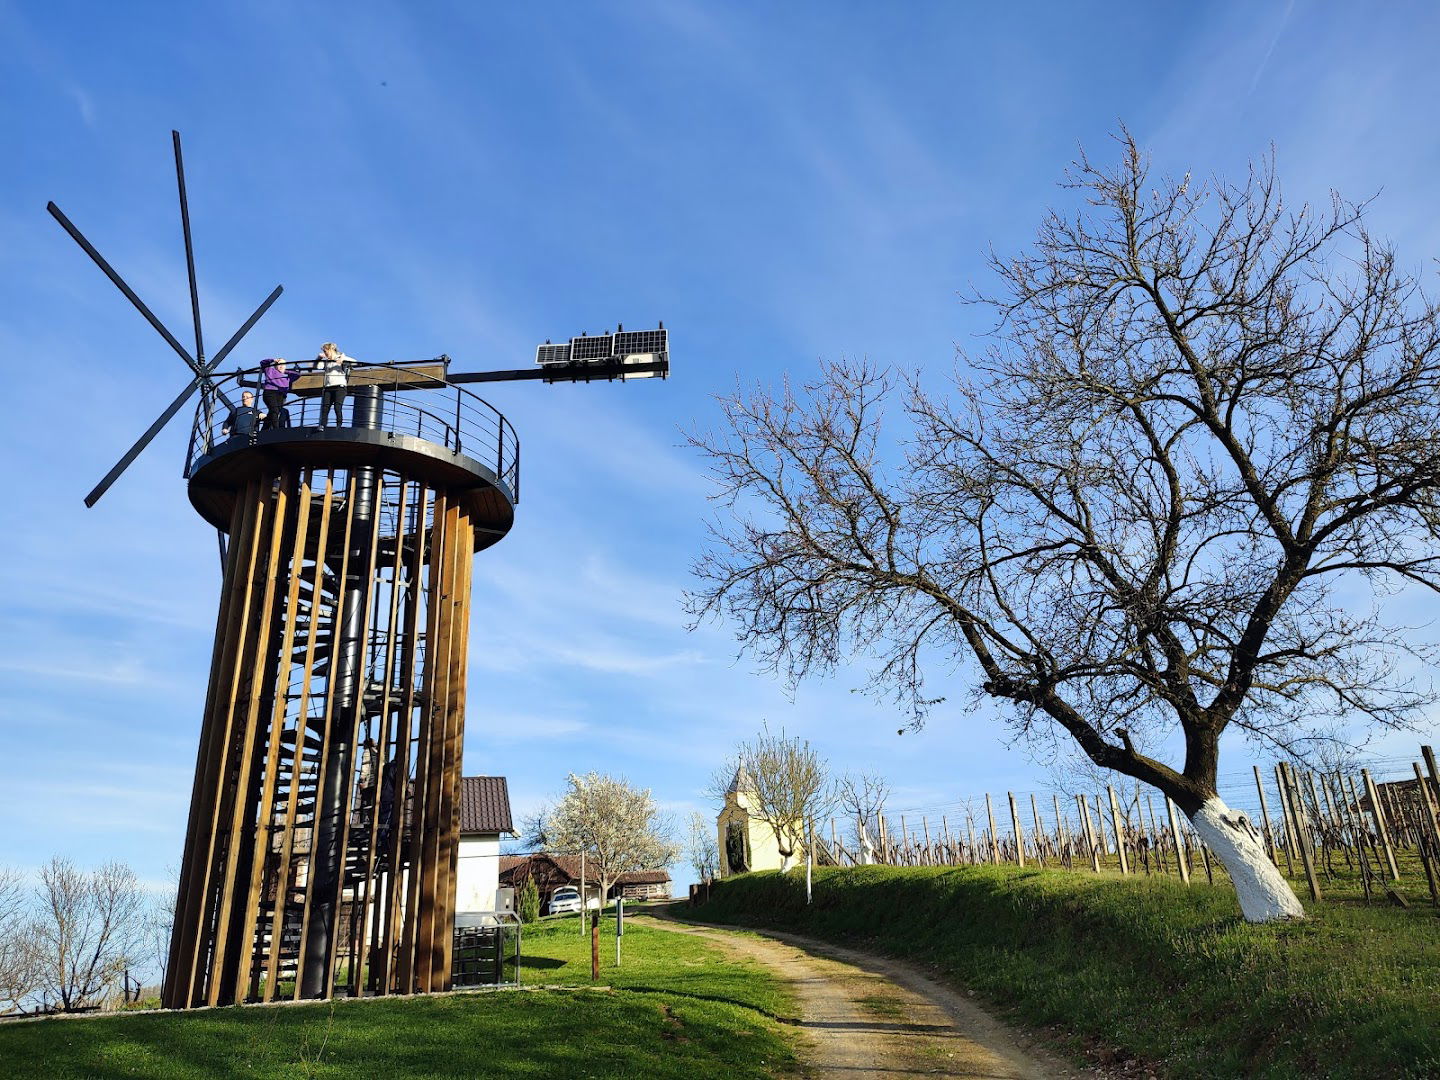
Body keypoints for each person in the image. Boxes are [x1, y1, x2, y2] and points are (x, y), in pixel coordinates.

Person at [315, 342, 357, 427]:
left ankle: (339, 426)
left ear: (331, 350)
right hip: (328, 387)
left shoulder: (340, 357)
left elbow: (355, 362)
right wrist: (319, 358)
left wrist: (343, 359)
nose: (325, 353)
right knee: (325, 408)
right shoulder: (326, 361)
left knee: (337, 407)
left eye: (326, 351)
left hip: (340, 387)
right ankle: (322, 426)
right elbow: (317, 366)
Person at [259, 357, 297, 430]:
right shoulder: (270, 370)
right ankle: (276, 429)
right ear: (275, 365)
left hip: (281, 395)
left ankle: (264, 429)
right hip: (270, 392)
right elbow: (263, 362)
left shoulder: (287, 378)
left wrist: (285, 371)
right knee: (274, 411)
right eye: (279, 364)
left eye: (283, 364)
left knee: (273, 412)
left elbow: (297, 375)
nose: (281, 366)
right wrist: (273, 360)